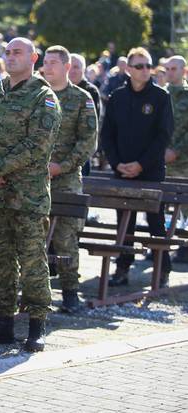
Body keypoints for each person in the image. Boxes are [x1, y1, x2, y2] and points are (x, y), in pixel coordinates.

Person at [0, 37, 61, 352]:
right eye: (6, 52)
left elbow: (38, 143)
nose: (9, 57)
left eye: (16, 52)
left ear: (33, 57)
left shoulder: (43, 97)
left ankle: (37, 324)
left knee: (33, 259)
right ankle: (4, 321)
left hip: (27, 196)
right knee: (0, 259)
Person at [101, 47, 174, 288]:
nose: (145, 70)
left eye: (148, 65)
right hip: (122, 170)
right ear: (129, 69)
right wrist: (117, 163)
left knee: (156, 223)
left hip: (151, 172)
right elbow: (107, 135)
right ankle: (122, 268)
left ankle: (162, 269)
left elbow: (163, 137)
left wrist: (141, 165)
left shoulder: (161, 97)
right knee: (125, 223)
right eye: (139, 66)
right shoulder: (118, 98)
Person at [42, 46, 97, 312]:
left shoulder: (81, 98)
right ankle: (33, 294)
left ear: (66, 66)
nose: (47, 67)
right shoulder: (36, 95)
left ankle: (70, 292)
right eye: (45, 62)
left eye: (53, 62)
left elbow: (87, 142)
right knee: (32, 238)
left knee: (65, 238)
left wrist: (62, 166)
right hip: (34, 179)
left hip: (65, 179)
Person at [164, 56, 188, 263]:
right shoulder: (160, 94)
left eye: (174, 69)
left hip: (184, 162)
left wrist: (177, 150)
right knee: (163, 206)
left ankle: (185, 247)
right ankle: (162, 245)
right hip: (162, 161)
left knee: (186, 208)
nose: (170, 72)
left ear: (184, 71)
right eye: (167, 69)